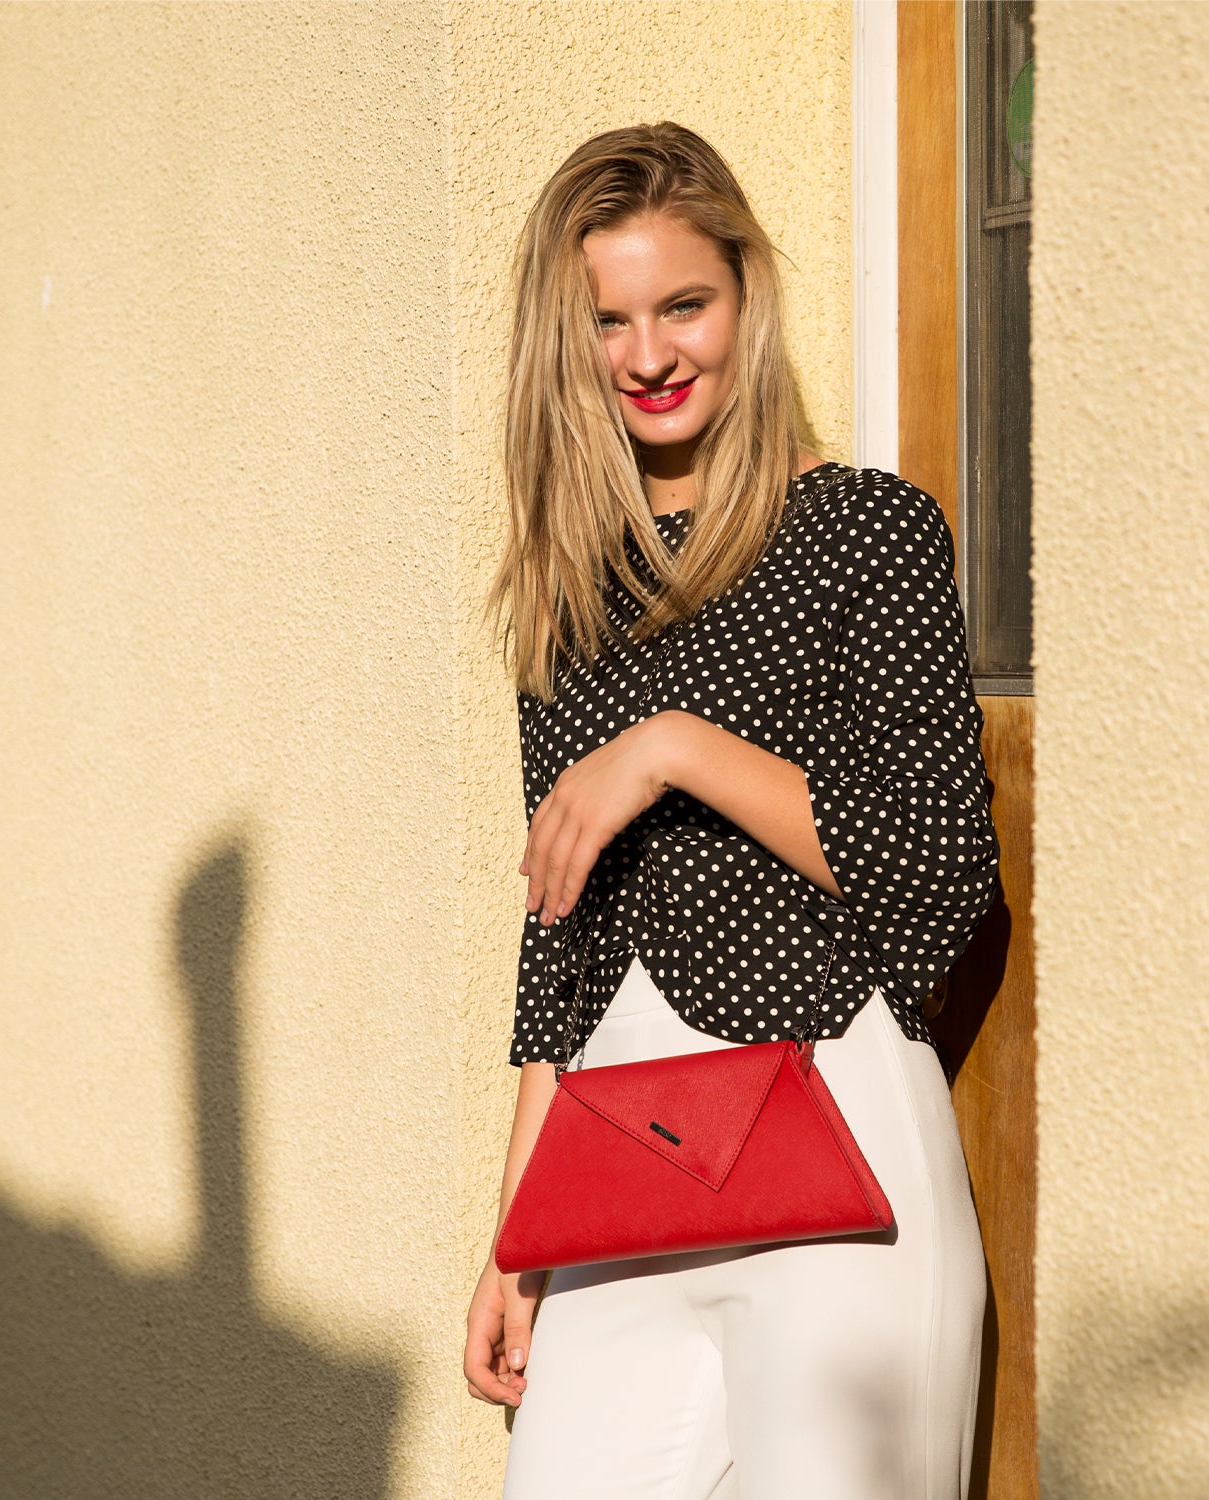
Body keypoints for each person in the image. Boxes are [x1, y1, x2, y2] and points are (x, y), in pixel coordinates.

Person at [463, 122, 1000, 1500]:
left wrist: (677, 749)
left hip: (840, 1145)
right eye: (610, 321)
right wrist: (517, 1239)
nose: (650, 355)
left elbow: (939, 875)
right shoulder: (570, 597)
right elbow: (558, 949)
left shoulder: (867, 532)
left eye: (683, 304)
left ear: (746, 298)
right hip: (620, 1166)